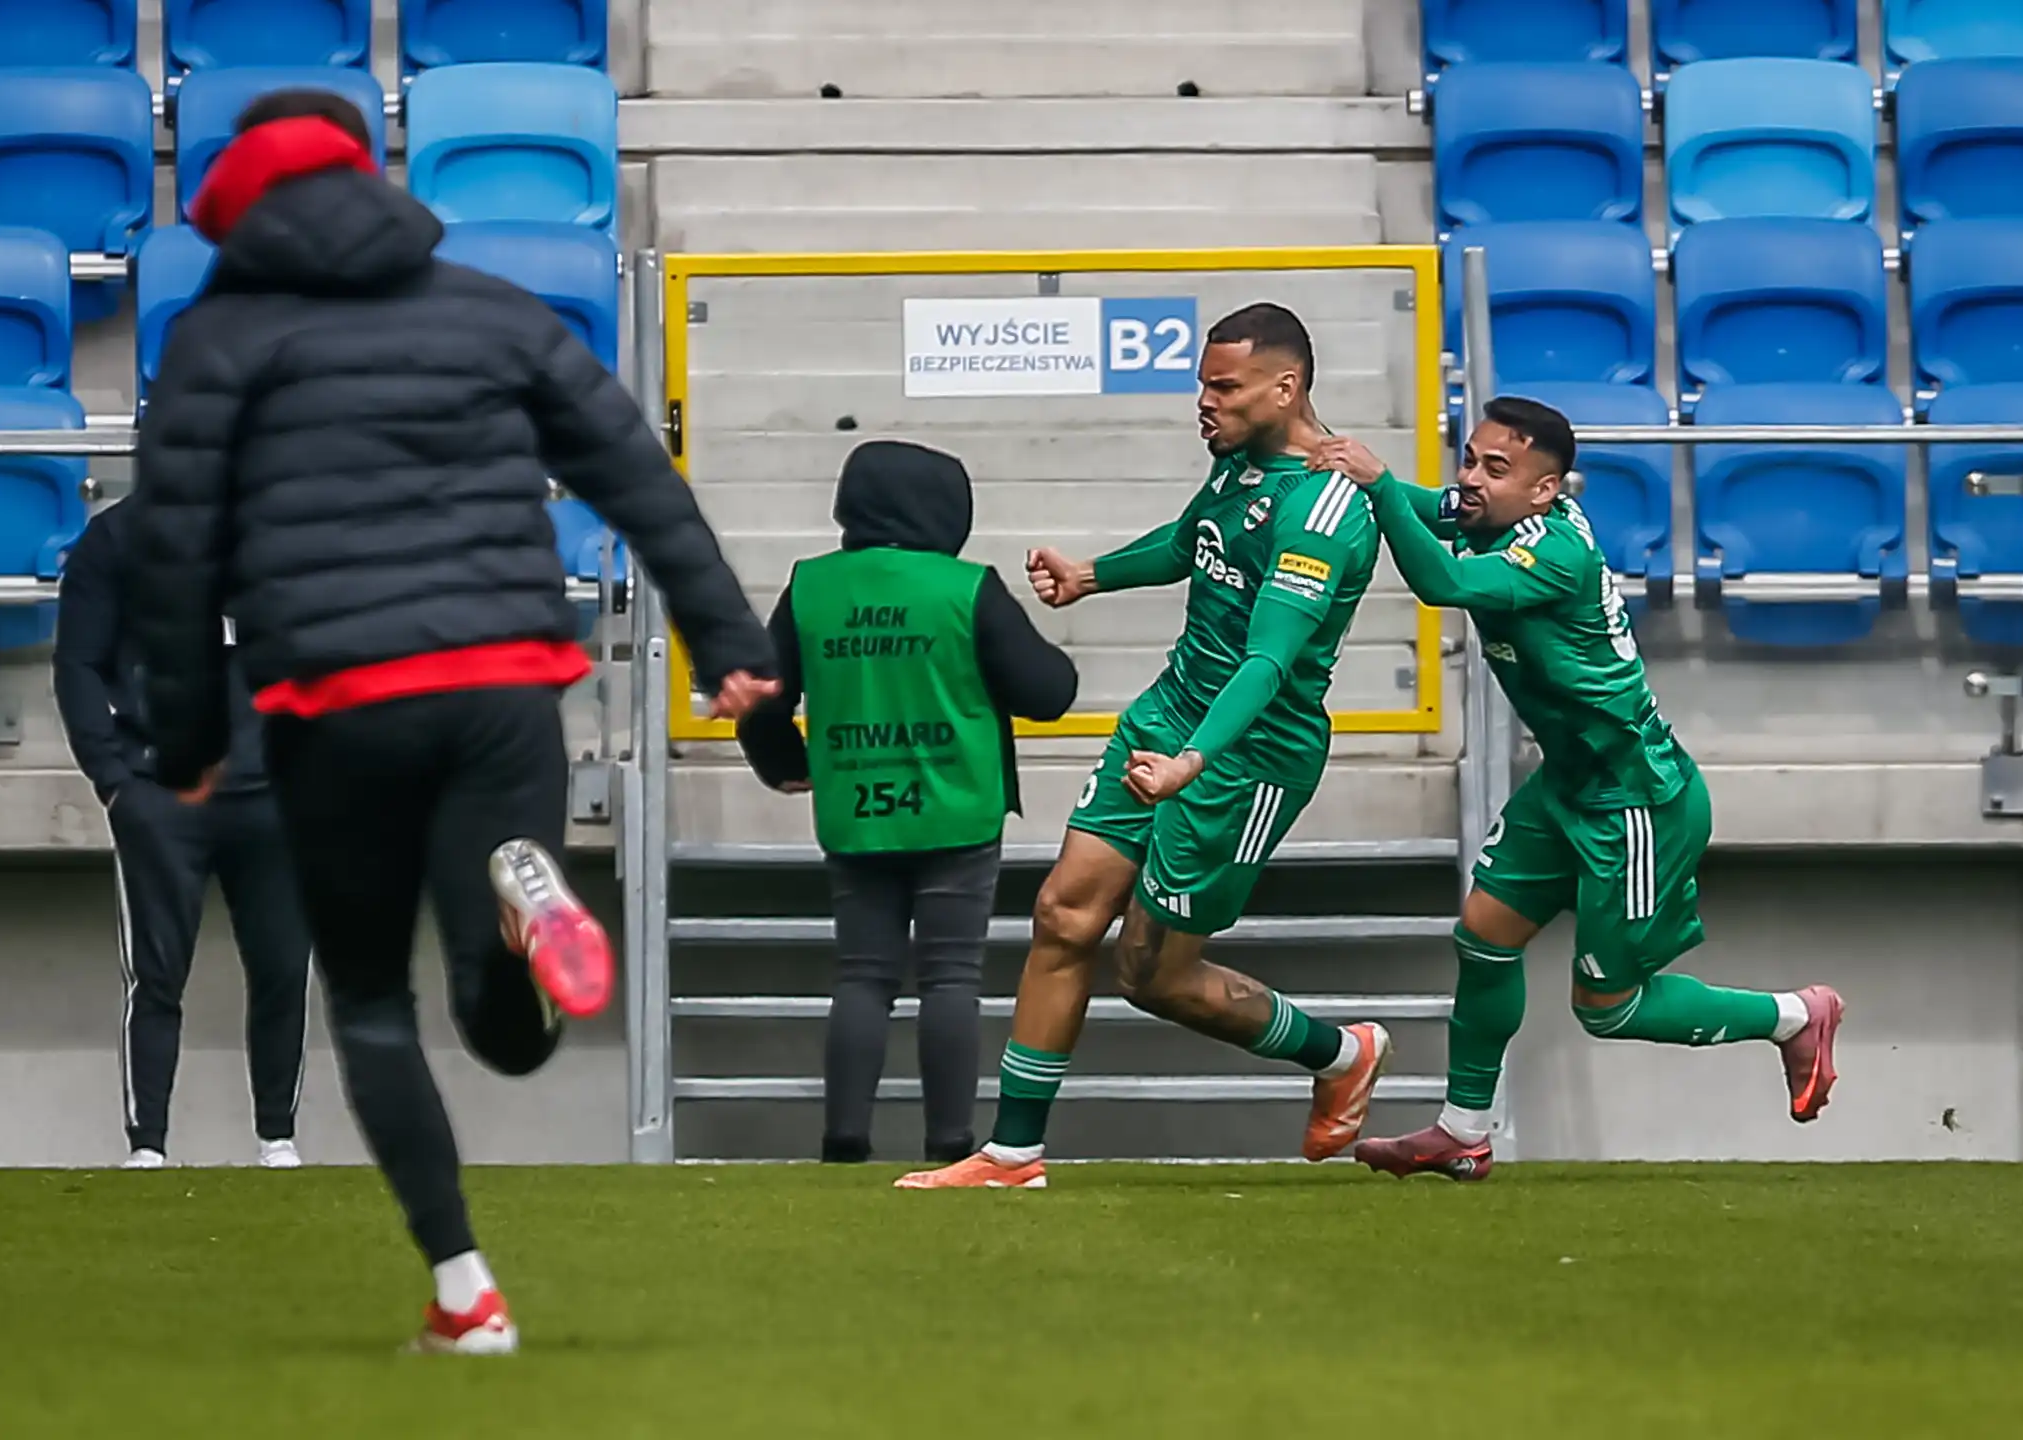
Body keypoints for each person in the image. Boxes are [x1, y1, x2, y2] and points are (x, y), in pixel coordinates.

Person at [123, 88, 776, 1352]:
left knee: (369, 1000)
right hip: (501, 689)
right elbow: (637, 474)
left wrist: (189, 743)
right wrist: (733, 645)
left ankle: (465, 1291)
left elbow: (174, 557)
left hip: (335, 708)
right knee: (498, 1005)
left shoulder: (217, 341)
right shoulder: (491, 310)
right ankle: (523, 901)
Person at [897, 303, 1394, 1191]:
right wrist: (1094, 575)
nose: (1204, 402)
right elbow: (1194, 542)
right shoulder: (1241, 466)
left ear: (1286, 388)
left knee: (1151, 973)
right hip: (1167, 716)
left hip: (1246, 755)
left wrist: (1193, 762)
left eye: (1223, 386)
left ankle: (1340, 1053)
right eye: (1202, 384)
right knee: (1062, 914)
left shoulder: (1324, 509)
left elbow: (1269, 662)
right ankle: (1013, 1154)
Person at [1309, 397, 1845, 1183]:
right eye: (1470, 458)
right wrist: (1337, 459)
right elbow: (1432, 509)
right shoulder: (1498, 516)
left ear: (1546, 489)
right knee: (1483, 935)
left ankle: (1797, 1014)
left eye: (1497, 468)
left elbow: (1440, 581)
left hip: (1634, 799)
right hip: (1569, 782)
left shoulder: (1555, 551)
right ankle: (1463, 1131)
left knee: (1610, 1009)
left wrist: (1379, 482)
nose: (1472, 479)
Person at [737, 439, 1079, 1166]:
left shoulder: (811, 587)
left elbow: (760, 699)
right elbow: (1049, 693)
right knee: (951, 975)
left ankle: (843, 1141)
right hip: (957, 811)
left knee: (863, 974)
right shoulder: (966, 587)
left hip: (855, 808)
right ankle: (949, 1143)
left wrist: (787, 765)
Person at [55, 492, 314, 1171]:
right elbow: (78, 662)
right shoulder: (112, 542)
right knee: (156, 974)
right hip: (160, 794)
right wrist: (113, 779)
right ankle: (148, 1146)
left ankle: (277, 1138)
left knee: (284, 967)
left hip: (273, 797)